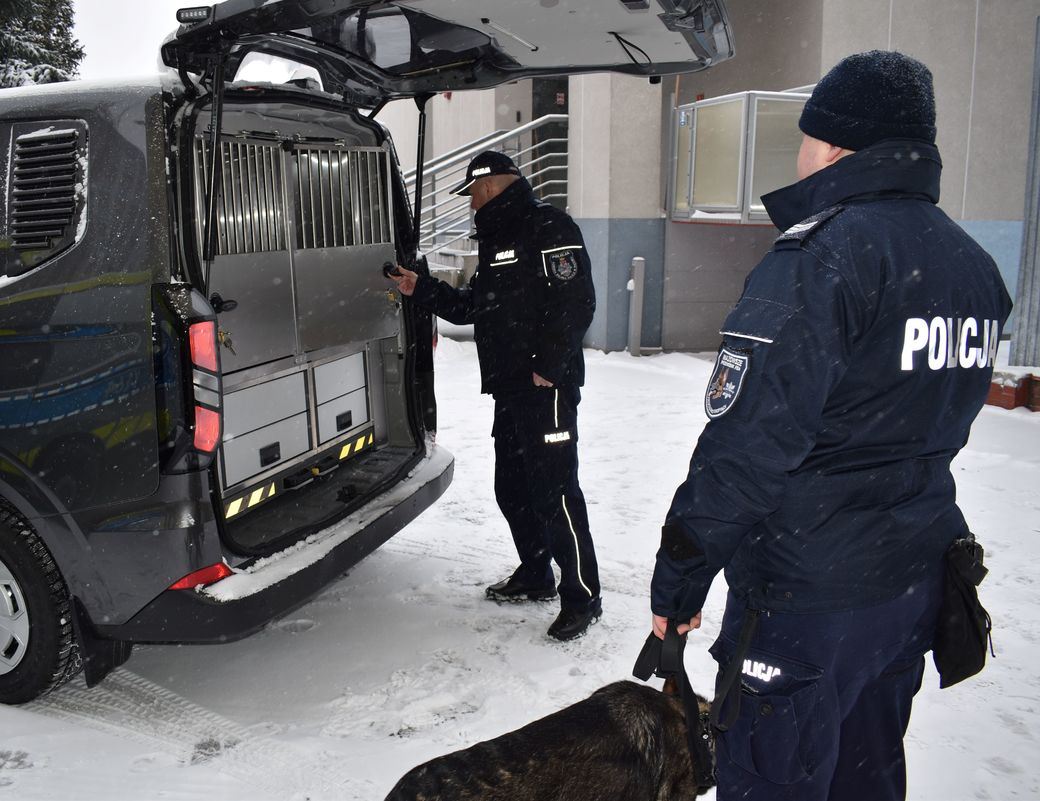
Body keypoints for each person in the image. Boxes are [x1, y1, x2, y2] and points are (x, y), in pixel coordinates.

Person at [649, 51, 1013, 800]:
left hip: (806, 596)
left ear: (836, 144)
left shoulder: (819, 257)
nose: (800, 152)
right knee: (863, 777)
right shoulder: (970, 264)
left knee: (774, 780)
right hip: (906, 584)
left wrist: (680, 578)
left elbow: (747, 449)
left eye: (805, 136)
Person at [388, 150, 602, 641]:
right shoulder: (497, 238)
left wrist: (549, 367)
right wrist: (421, 288)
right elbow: (475, 307)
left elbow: (576, 300)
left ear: (490, 186)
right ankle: (536, 572)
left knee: (555, 492)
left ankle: (582, 596)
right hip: (510, 388)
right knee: (513, 486)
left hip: (545, 389)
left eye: (473, 194)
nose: (470, 204)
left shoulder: (548, 226)